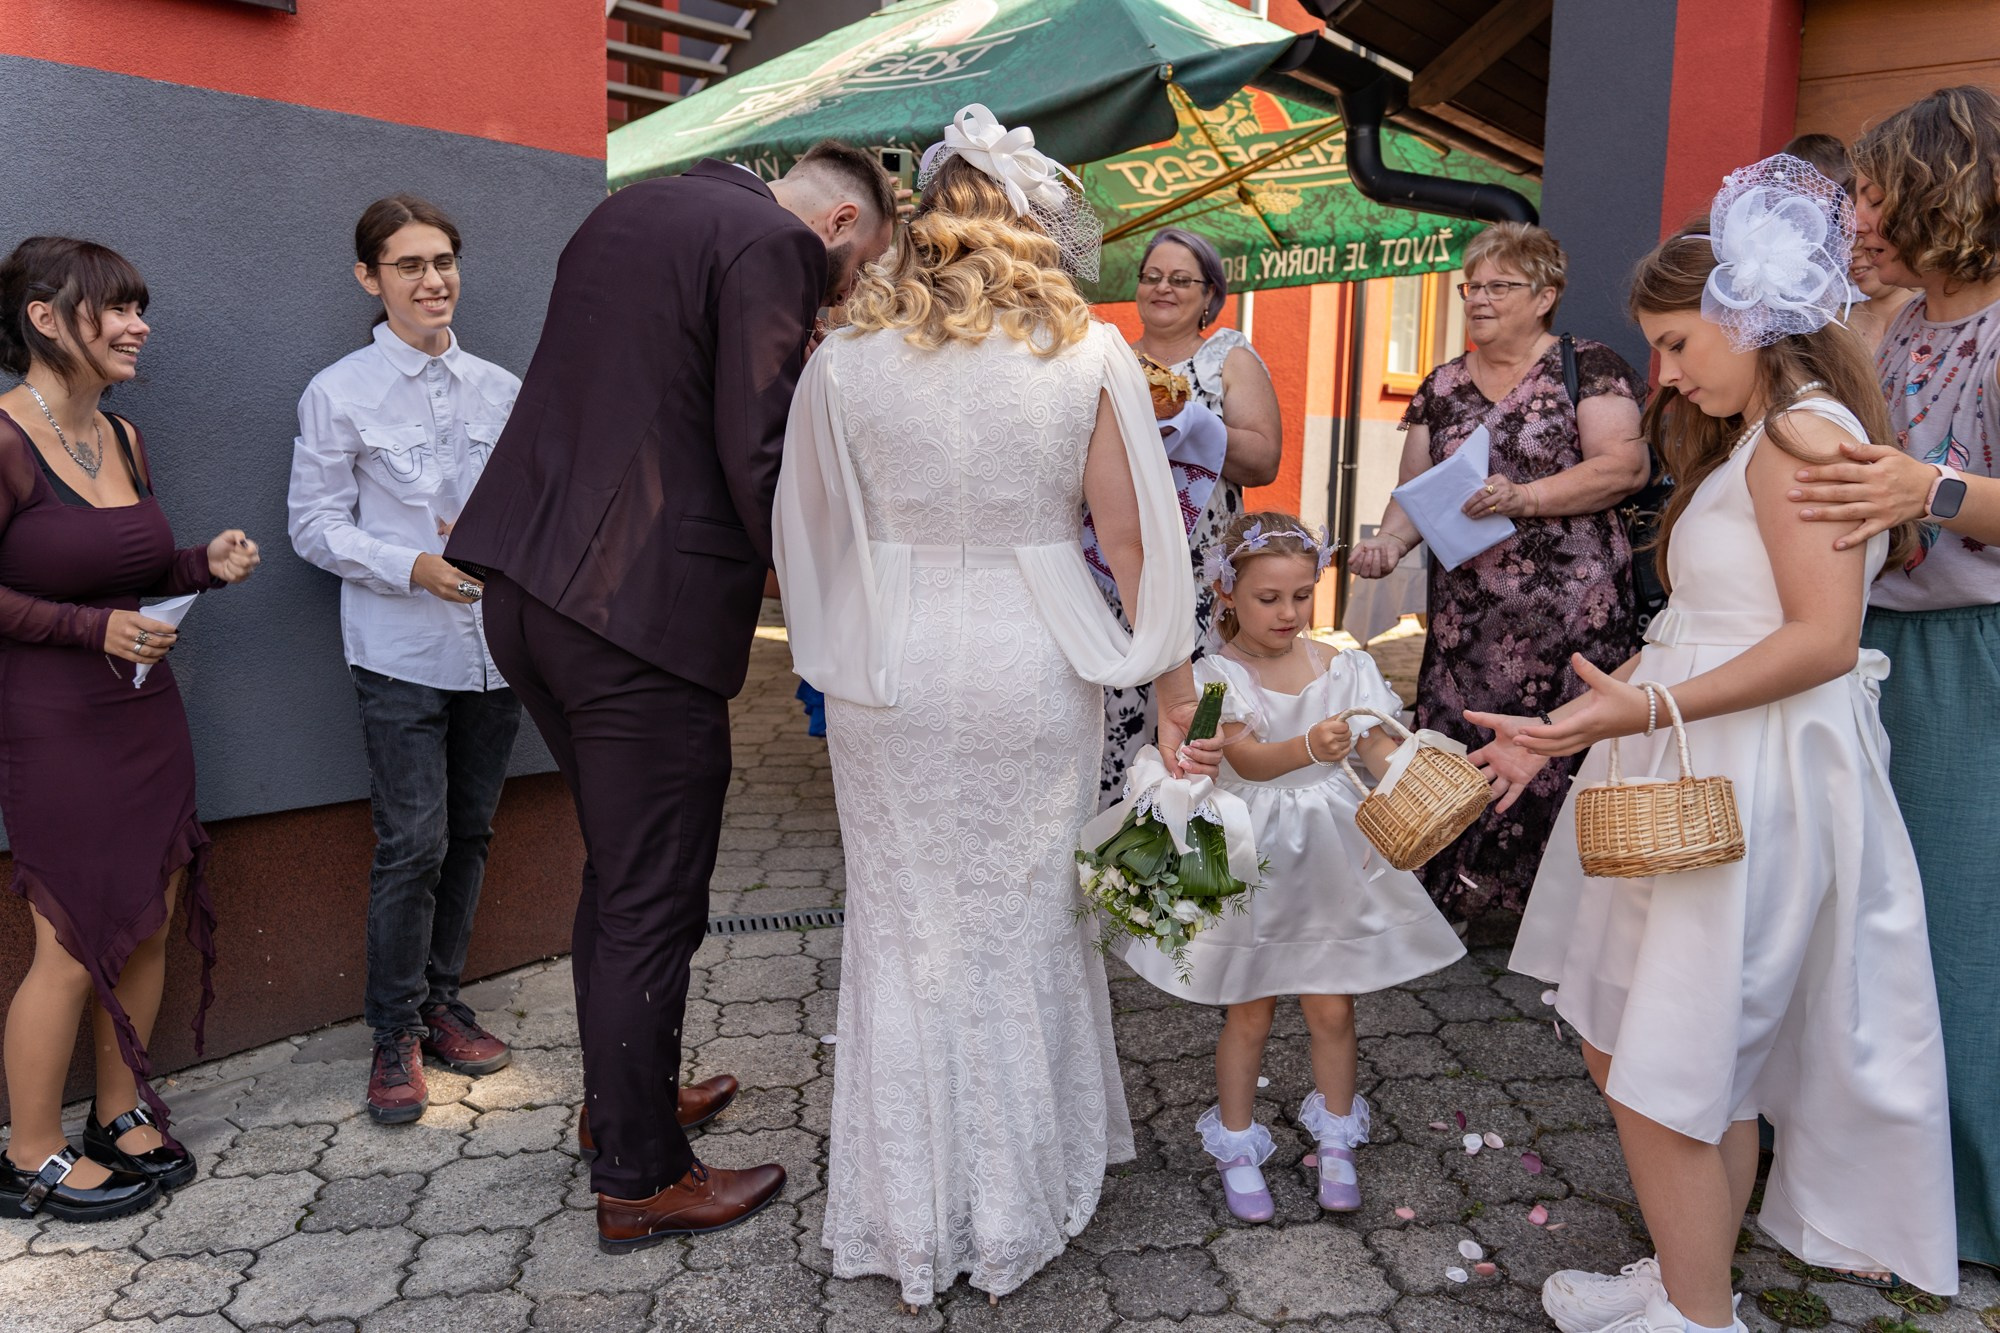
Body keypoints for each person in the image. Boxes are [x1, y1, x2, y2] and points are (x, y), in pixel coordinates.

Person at [1474, 156, 1956, 1333]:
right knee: (1653, 1044)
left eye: (1680, 343)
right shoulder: (1759, 438)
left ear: (1749, 316)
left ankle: (1694, 1319)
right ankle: (1691, 1280)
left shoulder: (1801, 434)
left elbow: (1824, 640)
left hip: (1747, 773)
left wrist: (1637, 713)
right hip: (1701, 757)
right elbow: (1698, 628)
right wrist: (1561, 729)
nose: (1668, 374)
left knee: (1665, 1058)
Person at [773, 104, 1220, 1309]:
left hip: (890, 664)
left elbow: (808, 534)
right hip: (1031, 655)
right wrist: (1173, 687)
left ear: (921, 219)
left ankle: (906, 1208)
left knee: (907, 924)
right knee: (1020, 916)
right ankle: (1020, 1192)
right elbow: (1130, 538)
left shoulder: (842, 355)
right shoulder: (1086, 352)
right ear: (1030, 219)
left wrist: (835, 641)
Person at [443, 142, 897, 1251]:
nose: (839, 289)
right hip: (632, 611)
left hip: (525, 588)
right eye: (857, 268)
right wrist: (840, 581)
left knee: (618, 872)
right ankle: (643, 1180)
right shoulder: (776, 245)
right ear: (839, 222)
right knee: (656, 892)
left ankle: (622, 1106)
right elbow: (761, 444)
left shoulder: (632, 210)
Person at [1784, 84, 2000, 1272]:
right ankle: (1884, 1178)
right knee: (1879, 924)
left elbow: (1928, 486)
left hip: (1977, 663)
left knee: (1964, 934)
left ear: (1934, 184)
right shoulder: (1893, 321)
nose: (1851, 210)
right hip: (1881, 647)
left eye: (1867, 189)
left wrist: (1927, 493)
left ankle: (1970, 1204)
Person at [0, 237, 260, 1221]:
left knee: (149, 912)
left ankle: (118, 1111)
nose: (138, 324)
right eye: (114, 307)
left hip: (147, 712)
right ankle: (31, 1151)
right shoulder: (4, 438)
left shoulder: (126, 437)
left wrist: (201, 565)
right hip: (52, 719)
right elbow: (60, 600)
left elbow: (122, 570)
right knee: (69, 934)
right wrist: (86, 627)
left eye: (138, 305)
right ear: (44, 316)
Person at [1122, 511, 1464, 1223]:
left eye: (1302, 595)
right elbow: (1249, 759)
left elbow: (1371, 747)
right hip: (1260, 849)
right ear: (1228, 596)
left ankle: (1337, 1136)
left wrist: (1406, 768)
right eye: (1268, 598)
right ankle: (1239, 1143)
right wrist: (1312, 742)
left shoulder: (1345, 665)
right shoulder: (1218, 676)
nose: (1288, 612)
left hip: (1334, 849)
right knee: (1249, 1006)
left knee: (1333, 1003)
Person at [288, 195, 525, 1125]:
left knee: (470, 834)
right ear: (370, 278)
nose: (434, 281)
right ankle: (392, 1032)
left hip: (494, 654)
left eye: (444, 261)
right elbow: (312, 527)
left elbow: (530, 508)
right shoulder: (338, 391)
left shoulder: (501, 388)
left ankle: (441, 1003)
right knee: (412, 843)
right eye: (410, 266)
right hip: (399, 652)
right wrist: (411, 566)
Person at [1349, 223, 1649, 929]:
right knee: (1459, 739)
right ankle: (1457, 893)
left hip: (1574, 611)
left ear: (1545, 295)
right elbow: (1413, 491)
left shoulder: (1589, 364)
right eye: (1472, 286)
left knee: (1561, 740)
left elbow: (1623, 467)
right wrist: (1388, 546)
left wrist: (1527, 496)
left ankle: (1562, 912)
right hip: (1469, 617)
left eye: (1499, 286)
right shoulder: (1441, 385)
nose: (1479, 299)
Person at [1100, 227, 1282, 804]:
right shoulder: (1112, 363)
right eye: (1151, 277)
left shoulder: (1227, 358)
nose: (1162, 288)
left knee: (1191, 713)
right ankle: (1113, 838)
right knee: (1115, 711)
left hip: (1199, 572)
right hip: (1112, 571)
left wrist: (1196, 425)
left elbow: (1265, 460)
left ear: (1210, 294)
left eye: (1181, 279)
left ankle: (1188, 834)